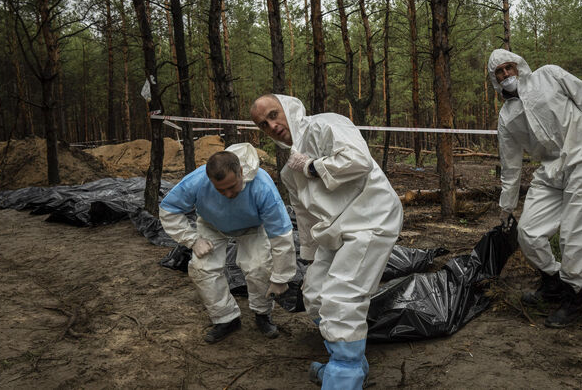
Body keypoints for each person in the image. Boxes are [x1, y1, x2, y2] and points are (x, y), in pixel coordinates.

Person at [250, 94, 403, 389]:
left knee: (342, 298)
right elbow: (305, 215)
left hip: (371, 217)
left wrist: (312, 166)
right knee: (316, 295)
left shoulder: (326, 125)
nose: (272, 125)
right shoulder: (289, 171)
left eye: (273, 114)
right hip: (335, 231)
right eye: (263, 124)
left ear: (288, 107)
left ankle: (343, 376)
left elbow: (358, 161)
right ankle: (350, 362)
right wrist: (309, 255)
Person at [489, 49, 582, 328]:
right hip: (551, 169)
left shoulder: (549, 76)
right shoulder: (506, 117)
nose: (506, 74)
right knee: (528, 232)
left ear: (519, 66)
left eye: (509, 67)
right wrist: (506, 207)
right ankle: (553, 281)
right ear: (494, 79)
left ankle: (573, 297)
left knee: (575, 233)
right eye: (500, 71)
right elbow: (510, 165)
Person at [158, 143, 296, 343]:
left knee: (259, 267)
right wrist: (192, 240)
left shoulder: (262, 185)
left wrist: (281, 277)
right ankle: (226, 318)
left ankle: (262, 313)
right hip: (212, 224)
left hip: (252, 226)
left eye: (232, 187)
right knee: (202, 268)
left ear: (241, 172)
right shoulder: (197, 180)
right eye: (220, 190)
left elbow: (281, 234)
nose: (229, 194)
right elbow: (168, 209)